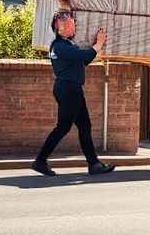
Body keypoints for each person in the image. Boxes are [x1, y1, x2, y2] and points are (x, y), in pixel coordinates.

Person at [31, 9, 115, 177]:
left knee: (83, 126)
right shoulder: (60, 46)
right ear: (59, 28)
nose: (73, 27)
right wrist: (98, 44)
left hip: (70, 89)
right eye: (69, 24)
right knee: (64, 127)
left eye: (72, 24)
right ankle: (40, 161)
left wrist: (94, 51)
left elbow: (81, 61)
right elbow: (82, 56)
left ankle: (94, 164)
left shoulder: (66, 45)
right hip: (68, 89)